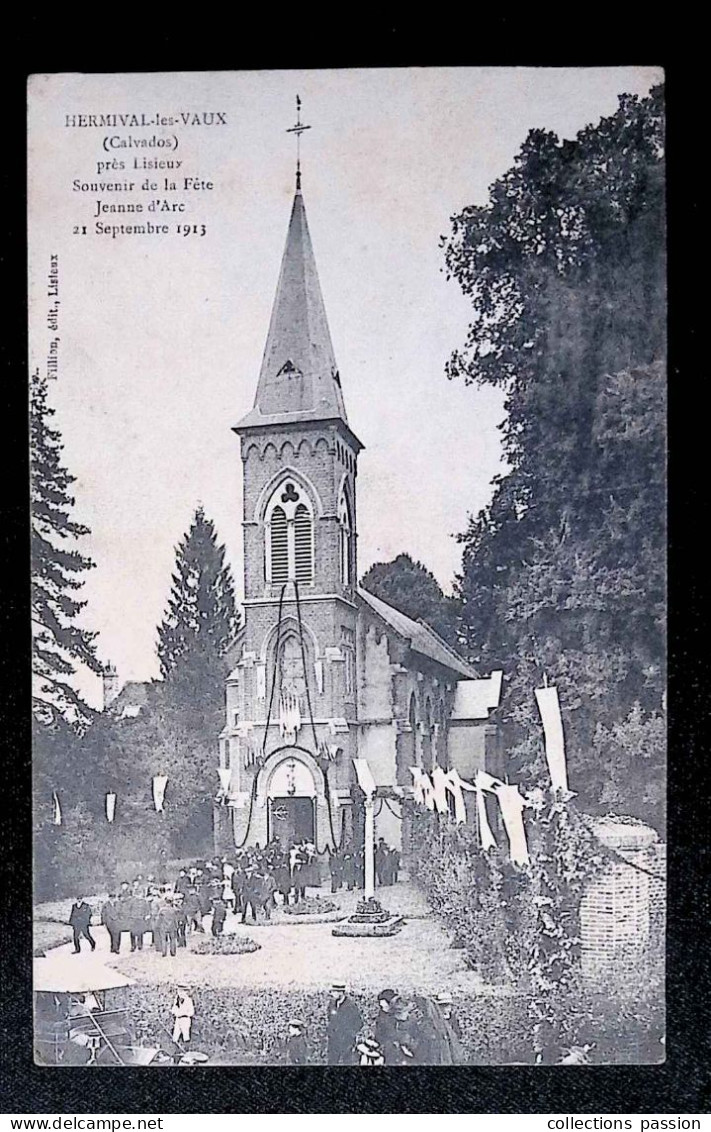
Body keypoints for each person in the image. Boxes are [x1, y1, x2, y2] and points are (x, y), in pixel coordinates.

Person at [326, 983, 363, 1065]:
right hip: (333, 1040)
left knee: (347, 1062)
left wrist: (350, 1034)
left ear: (341, 992)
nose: (332, 994)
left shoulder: (350, 1006)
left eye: (334, 992)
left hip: (346, 1041)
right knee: (332, 1062)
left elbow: (358, 1023)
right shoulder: (332, 1004)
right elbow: (330, 1018)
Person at [433, 992, 465, 1064]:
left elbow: (458, 1033)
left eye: (448, 1006)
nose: (446, 1009)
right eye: (443, 1006)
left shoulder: (452, 1018)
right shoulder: (435, 1019)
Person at [374, 988, 399, 1063]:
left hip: (393, 1048)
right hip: (383, 1046)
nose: (381, 1005)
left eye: (384, 1006)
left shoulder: (397, 1015)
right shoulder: (382, 1014)